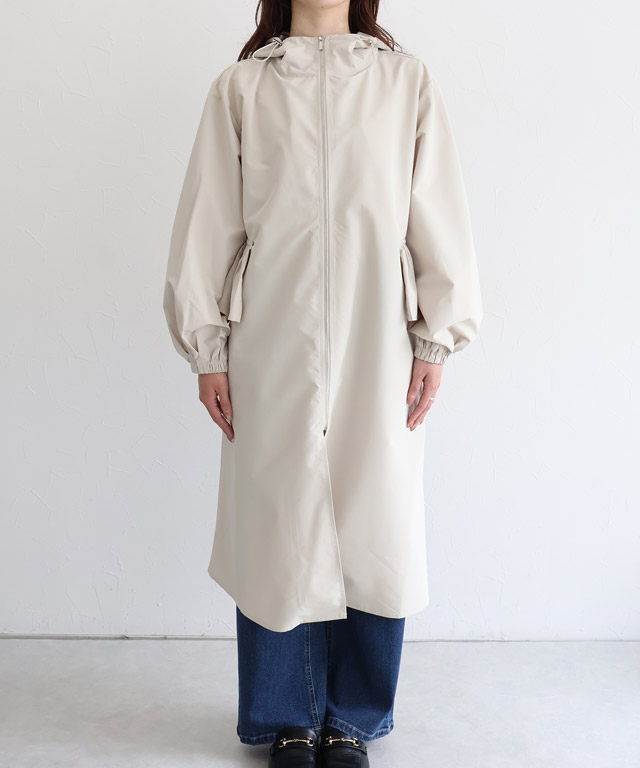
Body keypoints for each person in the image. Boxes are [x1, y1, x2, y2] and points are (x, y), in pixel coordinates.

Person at [163, 0, 482, 765]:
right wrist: (208, 350)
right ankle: (287, 718)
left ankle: (353, 719)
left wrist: (436, 337)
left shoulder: (405, 82)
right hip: (272, 340)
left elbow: (436, 213)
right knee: (280, 522)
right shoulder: (243, 88)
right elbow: (209, 222)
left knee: (376, 521)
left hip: (381, 338)